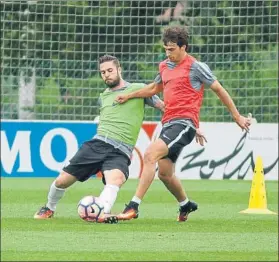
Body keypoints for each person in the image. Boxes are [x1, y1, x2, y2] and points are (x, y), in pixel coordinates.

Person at [115, 26, 251, 222]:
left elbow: (219, 90)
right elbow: (154, 88)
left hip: (185, 124)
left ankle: (133, 206)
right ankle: (185, 204)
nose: (167, 53)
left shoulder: (196, 67)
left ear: (183, 47)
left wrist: (237, 116)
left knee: (150, 154)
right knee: (164, 173)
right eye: (165, 49)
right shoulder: (164, 66)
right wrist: (128, 96)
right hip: (169, 124)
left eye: (171, 49)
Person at [34, 55, 165, 223]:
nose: (106, 75)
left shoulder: (139, 89)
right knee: (61, 181)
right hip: (98, 144)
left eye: (110, 70)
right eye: (102, 72)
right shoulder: (103, 96)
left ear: (119, 69)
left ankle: (101, 213)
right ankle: (49, 208)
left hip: (121, 150)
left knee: (115, 180)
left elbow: (163, 106)